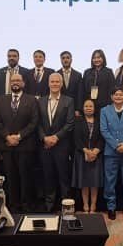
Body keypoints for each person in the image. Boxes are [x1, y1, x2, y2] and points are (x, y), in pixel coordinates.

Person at [0, 73, 40, 211]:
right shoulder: (1, 100)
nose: (15, 82)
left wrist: (19, 136)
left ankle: (26, 206)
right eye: (13, 80)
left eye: (18, 80)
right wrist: (8, 137)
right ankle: (13, 206)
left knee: (26, 178)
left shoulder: (32, 100)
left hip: (25, 146)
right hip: (7, 146)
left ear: (23, 83)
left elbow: (34, 122)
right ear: (10, 83)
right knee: (11, 178)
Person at [38, 73, 75, 211]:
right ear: (48, 83)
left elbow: (70, 123)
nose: (54, 84)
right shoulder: (40, 101)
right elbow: (37, 123)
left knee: (64, 177)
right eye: (52, 81)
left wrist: (56, 137)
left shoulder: (69, 101)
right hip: (45, 146)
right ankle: (49, 205)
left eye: (57, 82)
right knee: (48, 176)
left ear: (61, 84)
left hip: (62, 146)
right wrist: (44, 138)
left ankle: (66, 206)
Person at [100, 87, 123, 220]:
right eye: (116, 95)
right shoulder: (104, 111)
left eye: (121, 94)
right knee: (110, 181)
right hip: (111, 152)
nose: (118, 97)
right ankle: (111, 207)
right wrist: (116, 145)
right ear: (112, 97)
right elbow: (104, 130)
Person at [72, 99, 104, 214]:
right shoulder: (78, 121)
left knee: (94, 182)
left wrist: (96, 151)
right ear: (83, 108)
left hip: (96, 155)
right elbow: (76, 138)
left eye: (91, 106)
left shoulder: (100, 121)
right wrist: (86, 150)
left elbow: (102, 137)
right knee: (84, 182)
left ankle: (93, 206)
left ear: (94, 108)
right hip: (82, 154)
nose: (88, 108)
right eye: (86, 106)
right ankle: (85, 205)